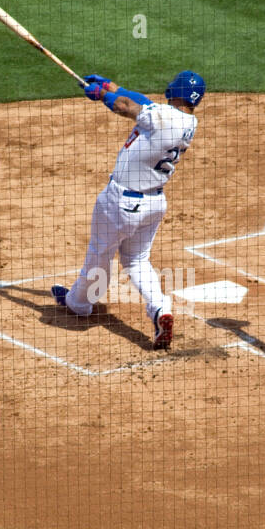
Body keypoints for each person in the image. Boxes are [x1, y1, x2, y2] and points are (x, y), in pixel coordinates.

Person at [51, 70, 204, 348]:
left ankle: (78, 304)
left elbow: (125, 106)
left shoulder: (162, 117)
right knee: (136, 260)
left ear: (176, 90)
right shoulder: (187, 121)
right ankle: (160, 308)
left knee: (100, 254)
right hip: (154, 203)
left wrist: (102, 96)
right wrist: (111, 86)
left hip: (120, 203)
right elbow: (141, 102)